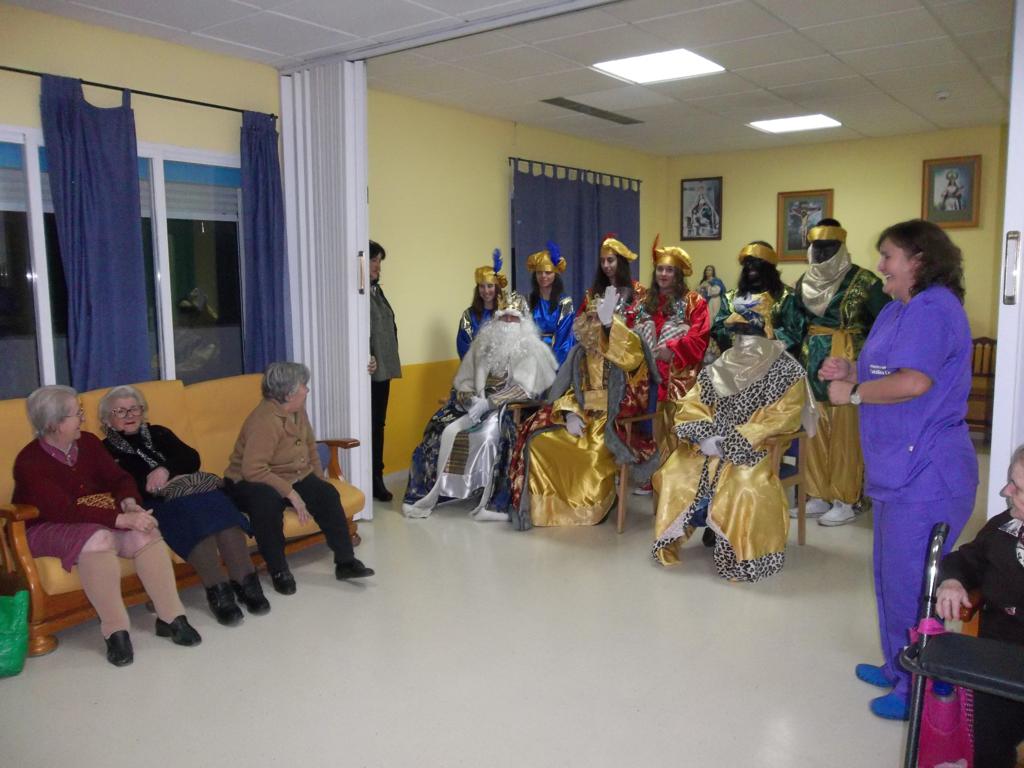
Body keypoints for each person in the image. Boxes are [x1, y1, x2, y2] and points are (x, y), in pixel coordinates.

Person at [820, 219, 976, 721]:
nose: (880, 265)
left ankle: (919, 688)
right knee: (890, 577)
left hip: (928, 472)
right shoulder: (896, 309)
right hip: (896, 468)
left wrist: (855, 393)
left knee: (913, 585)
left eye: (888, 256)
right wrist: (850, 372)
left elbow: (913, 383)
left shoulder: (934, 308)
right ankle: (898, 666)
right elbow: (885, 370)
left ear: (919, 260)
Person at [12, 385, 201, 667]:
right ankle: (116, 631)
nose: (83, 418)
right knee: (99, 537)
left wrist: (129, 503)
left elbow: (119, 478)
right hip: (46, 526)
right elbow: (64, 510)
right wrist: (120, 519)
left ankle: (171, 617)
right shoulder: (29, 462)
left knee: (145, 531)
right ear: (54, 424)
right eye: (76, 414)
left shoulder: (88, 443)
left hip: (93, 516)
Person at [651, 293, 813, 580]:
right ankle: (711, 525)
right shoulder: (720, 366)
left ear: (765, 330)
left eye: (749, 331)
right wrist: (704, 436)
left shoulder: (787, 371)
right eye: (738, 332)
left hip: (756, 449)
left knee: (743, 487)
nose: (743, 339)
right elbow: (693, 404)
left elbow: (783, 418)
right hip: (708, 446)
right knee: (675, 473)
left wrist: (734, 441)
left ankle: (740, 547)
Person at [99, 385, 269, 626]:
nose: (130, 415)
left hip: (192, 490)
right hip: (157, 503)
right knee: (194, 519)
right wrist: (154, 484)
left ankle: (246, 583)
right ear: (107, 419)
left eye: (135, 409)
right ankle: (218, 592)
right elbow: (120, 484)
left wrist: (165, 469)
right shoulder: (104, 450)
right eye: (121, 411)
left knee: (220, 507)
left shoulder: (159, 433)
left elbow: (191, 457)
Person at [505, 288, 659, 529]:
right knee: (539, 443)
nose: (594, 323)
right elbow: (568, 389)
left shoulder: (623, 348)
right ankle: (544, 507)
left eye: (600, 318)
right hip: (582, 415)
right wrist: (569, 414)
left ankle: (592, 507)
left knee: (590, 455)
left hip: (611, 421)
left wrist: (610, 326)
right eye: (591, 318)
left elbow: (632, 356)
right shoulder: (578, 354)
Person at [223, 362, 374, 596]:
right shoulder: (264, 421)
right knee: (268, 504)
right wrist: (291, 493)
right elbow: (253, 469)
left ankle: (345, 562)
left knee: (327, 494)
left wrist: (318, 481)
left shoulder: (297, 410)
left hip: (289, 475)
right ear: (289, 394)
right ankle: (279, 570)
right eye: (304, 386)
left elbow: (310, 447)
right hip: (248, 481)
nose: (307, 390)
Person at [776, 219, 889, 526]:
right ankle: (816, 494)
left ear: (841, 248)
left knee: (845, 434)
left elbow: (887, 324)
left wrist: (865, 362)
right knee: (813, 427)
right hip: (811, 361)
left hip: (847, 362)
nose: (822, 254)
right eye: (817, 248)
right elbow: (794, 326)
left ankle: (846, 498)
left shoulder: (865, 282)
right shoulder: (804, 283)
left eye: (829, 248)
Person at [403, 297, 557, 520]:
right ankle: (434, 492)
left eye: (513, 318)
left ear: (522, 323)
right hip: (473, 406)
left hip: (504, 409)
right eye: (503, 317)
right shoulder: (482, 345)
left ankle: (491, 500)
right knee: (439, 429)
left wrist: (489, 403)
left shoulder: (529, 350)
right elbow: (463, 383)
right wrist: (471, 401)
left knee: (486, 437)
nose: (507, 322)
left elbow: (524, 390)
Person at [936, 446, 1024, 767]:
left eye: (1017, 488)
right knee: (990, 742)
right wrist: (953, 580)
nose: (1005, 491)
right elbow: (966, 559)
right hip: (997, 650)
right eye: (1011, 481)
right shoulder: (1003, 527)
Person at [633, 236, 709, 490]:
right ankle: (653, 475)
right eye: (660, 269)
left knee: (674, 430)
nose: (663, 274)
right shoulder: (645, 302)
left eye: (669, 270)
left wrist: (674, 350)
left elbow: (699, 337)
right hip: (647, 378)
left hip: (678, 377)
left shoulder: (694, 302)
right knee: (649, 430)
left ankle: (676, 481)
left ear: (678, 275)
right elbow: (631, 332)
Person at [367, 239, 401, 502]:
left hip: (383, 372)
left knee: (378, 425)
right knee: (369, 426)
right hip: (368, 373)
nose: (378, 266)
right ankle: (370, 479)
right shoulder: (358, 294)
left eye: (379, 261)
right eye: (373, 260)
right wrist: (365, 356)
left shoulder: (377, 292)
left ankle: (376, 476)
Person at [712, 242, 791, 354]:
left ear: (769, 266)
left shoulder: (786, 297)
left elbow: (794, 334)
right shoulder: (730, 299)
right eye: (747, 262)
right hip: (738, 359)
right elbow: (717, 331)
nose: (750, 266)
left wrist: (770, 334)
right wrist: (728, 325)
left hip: (773, 360)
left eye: (756, 261)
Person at [577, 235, 646, 328]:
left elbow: (642, 322)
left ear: (620, 262)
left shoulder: (637, 290)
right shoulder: (591, 294)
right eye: (602, 261)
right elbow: (581, 325)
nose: (605, 265)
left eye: (610, 260)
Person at [525, 241, 575, 366]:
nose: (543, 276)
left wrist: (552, 366)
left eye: (548, 272)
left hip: (555, 361)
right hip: (531, 361)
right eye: (539, 272)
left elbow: (564, 339)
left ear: (555, 274)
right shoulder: (527, 301)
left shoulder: (565, 303)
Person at [457, 249, 507, 360]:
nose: (486, 291)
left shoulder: (506, 314)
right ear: (477, 289)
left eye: (490, 286)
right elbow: (463, 347)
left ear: (496, 288)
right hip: (476, 368)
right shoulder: (468, 316)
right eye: (482, 286)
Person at [698, 265, 727, 330]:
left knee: (713, 316)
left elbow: (717, 291)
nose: (707, 271)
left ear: (713, 272)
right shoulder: (703, 281)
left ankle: (715, 332)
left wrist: (707, 286)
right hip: (704, 302)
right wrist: (701, 288)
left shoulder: (716, 280)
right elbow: (699, 292)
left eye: (710, 270)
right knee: (706, 318)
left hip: (714, 300)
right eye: (706, 270)